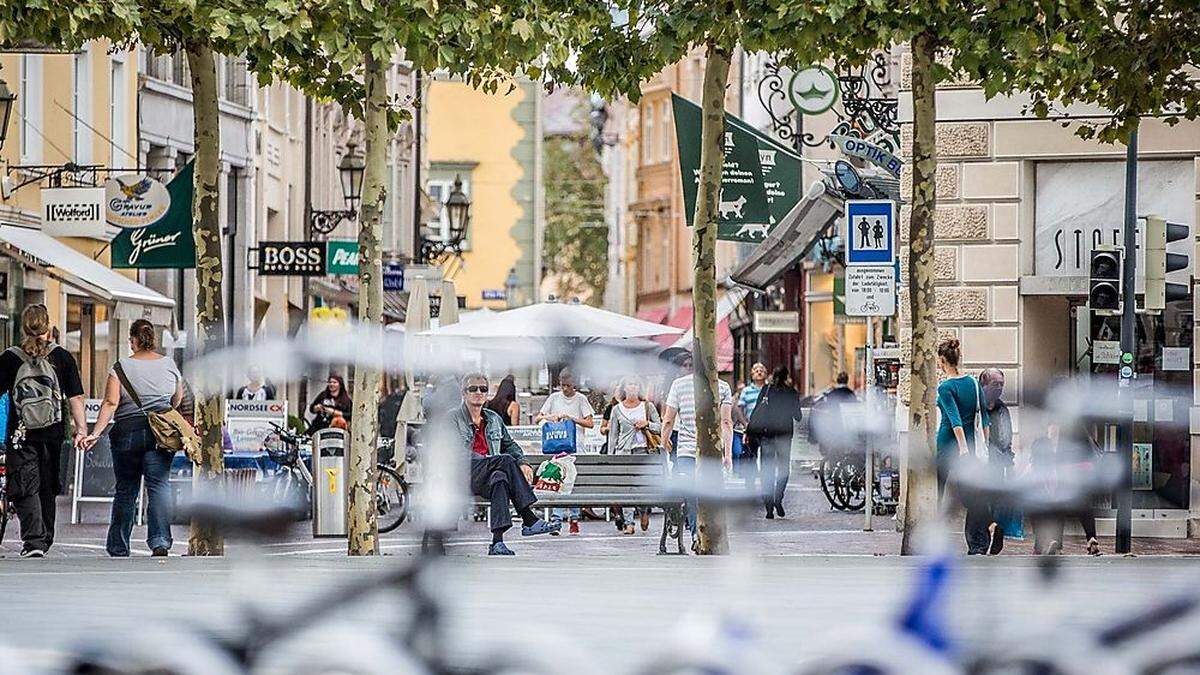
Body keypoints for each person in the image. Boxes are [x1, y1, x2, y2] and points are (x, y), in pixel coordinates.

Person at [84, 319, 184, 557]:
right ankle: (160, 540)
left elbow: (110, 403)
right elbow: (176, 399)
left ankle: (119, 545)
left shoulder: (120, 368)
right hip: (160, 433)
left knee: (126, 490)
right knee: (158, 487)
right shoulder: (170, 365)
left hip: (127, 433)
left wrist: (95, 433)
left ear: (132, 341)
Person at [0, 304, 87, 557]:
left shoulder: (10, 358)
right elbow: (76, 398)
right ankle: (45, 538)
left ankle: (34, 541)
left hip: (21, 433)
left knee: (26, 485)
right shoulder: (62, 357)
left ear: (23, 327)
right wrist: (81, 429)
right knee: (47, 486)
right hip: (54, 433)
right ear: (48, 327)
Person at [449, 372, 559, 555]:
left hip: (487, 475)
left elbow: (510, 445)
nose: (478, 392)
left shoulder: (493, 418)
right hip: (462, 475)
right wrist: (488, 461)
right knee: (504, 461)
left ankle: (497, 543)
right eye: (473, 389)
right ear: (463, 392)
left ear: (487, 394)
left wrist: (523, 462)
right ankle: (529, 519)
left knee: (500, 478)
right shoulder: (452, 418)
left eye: (483, 389)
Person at [661, 353, 733, 539]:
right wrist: (728, 454)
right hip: (713, 450)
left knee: (692, 492)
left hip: (686, 450)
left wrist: (664, 443)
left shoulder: (679, 385)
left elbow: (668, 420)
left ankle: (695, 533)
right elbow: (726, 422)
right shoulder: (723, 386)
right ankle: (713, 531)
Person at [935, 337, 994, 555]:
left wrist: (962, 448)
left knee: (937, 494)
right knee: (971, 493)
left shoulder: (945, 387)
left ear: (942, 360)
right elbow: (985, 418)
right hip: (972, 447)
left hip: (949, 448)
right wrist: (984, 446)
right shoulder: (973, 383)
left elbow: (954, 420)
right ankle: (986, 530)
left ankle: (935, 540)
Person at [535, 368, 595, 534]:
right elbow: (538, 418)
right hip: (557, 447)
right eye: (562, 385)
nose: (565, 389)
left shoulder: (581, 400)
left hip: (576, 448)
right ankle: (557, 519)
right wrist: (550, 417)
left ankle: (573, 517)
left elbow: (590, 423)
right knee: (558, 482)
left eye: (568, 385)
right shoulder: (553, 398)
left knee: (570, 484)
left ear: (574, 384)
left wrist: (572, 419)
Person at [1029, 422, 1102, 556]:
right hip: (1083, 473)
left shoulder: (1057, 434)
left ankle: (1056, 544)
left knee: (1058, 506)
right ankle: (1091, 538)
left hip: (1065, 473)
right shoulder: (1080, 429)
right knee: (1085, 507)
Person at [606, 376, 662, 534]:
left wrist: (647, 424)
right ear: (624, 388)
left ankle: (644, 510)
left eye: (636, 384)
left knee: (642, 486)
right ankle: (629, 522)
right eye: (630, 384)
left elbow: (660, 427)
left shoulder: (647, 407)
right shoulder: (617, 409)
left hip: (643, 450)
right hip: (624, 451)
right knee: (627, 487)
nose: (633, 387)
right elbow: (613, 435)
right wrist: (611, 456)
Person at [745, 367, 802, 519]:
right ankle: (778, 497)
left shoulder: (766, 390)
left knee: (766, 470)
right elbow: (798, 416)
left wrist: (750, 431)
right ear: (787, 377)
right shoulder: (791, 393)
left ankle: (769, 506)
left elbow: (757, 410)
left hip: (766, 435)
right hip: (784, 436)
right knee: (784, 469)